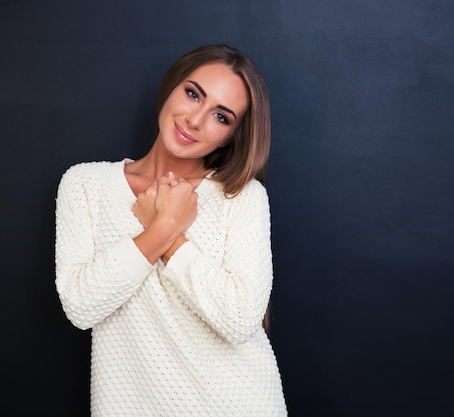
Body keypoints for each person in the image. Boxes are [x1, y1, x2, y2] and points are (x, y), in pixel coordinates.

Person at [54, 44, 288, 416]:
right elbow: (81, 306)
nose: (195, 119)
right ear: (172, 87)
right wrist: (161, 226)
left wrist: (171, 238)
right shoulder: (86, 184)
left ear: (230, 136)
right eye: (193, 94)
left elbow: (240, 319)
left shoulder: (240, 196)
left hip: (239, 403)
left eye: (221, 116)